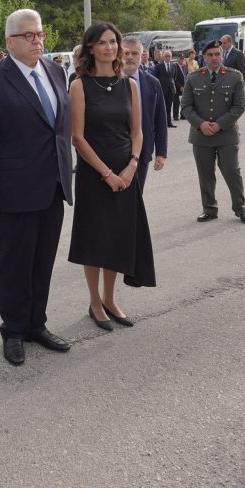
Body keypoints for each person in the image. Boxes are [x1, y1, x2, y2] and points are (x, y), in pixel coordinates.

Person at [0, 8, 73, 367]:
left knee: (42, 262)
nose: (37, 41)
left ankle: (35, 325)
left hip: (52, 188)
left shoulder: (56, 71)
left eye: (40, 34)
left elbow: (59, 129)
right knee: (14, 265)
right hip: (11, 194)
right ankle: (12, 331)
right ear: (10, 41)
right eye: (28, 35)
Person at [68, 23, 155, 332]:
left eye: (113, 42)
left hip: (126, 175)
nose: (109, 47)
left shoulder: (129, 85)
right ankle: (94, 301)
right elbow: (77, 137)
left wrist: (131, 166)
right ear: (90, 47)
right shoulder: (79, 86)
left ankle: (110, 298)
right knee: (95, 240)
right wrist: (106, 173)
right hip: (95, 176)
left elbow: (137, 132)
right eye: (102, 42)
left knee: (117, 237)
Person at [180, 40, 245, 224]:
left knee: (232, 171)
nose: (214, 58)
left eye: (217, 54)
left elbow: (239, 107)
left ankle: (240, 208)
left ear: (222, 55)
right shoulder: (193, 78)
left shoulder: (234, 76)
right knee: (205, 174)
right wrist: (200, 124)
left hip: (226, 135)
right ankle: (209, 209)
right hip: (200, 135)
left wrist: (219, 124)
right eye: (210, 54)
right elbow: (186, 106)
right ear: (203, 57)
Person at [120, 36, 167, 193]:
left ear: (141, 56)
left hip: (142, 151)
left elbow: (160, 119)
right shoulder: (109, 81)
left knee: (137, 196)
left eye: (135, 53)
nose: (130, 57)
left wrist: (161, 152)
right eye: (126, 53)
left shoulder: (153, 83)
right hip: (115, 150)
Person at [152, 49, 184, 127]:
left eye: (169, 56)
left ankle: (169, 122)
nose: (167, 58)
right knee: (162, 107)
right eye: (166, 56)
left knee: (169, 106)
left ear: (171, 57)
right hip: (162, 89)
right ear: (163, 57)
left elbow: (174, 77)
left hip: (171, 89)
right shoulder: (158, 66)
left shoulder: (174, 66)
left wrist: (174, 86)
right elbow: (155, 78)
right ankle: (162, 123)